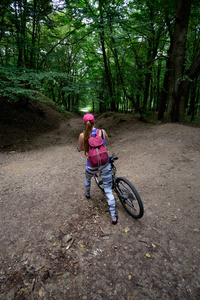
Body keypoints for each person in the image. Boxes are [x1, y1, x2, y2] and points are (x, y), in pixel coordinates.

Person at [78, 113, 118, 225]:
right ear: (94, 122)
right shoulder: (102, 132)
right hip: (105, 164)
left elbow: (81, 149)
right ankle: (113, 216)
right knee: (108, 190)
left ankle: (88, 194)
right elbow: (107, 142)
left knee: (87, 177)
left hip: (92, 165)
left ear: (84, 123)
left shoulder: (82, 135)